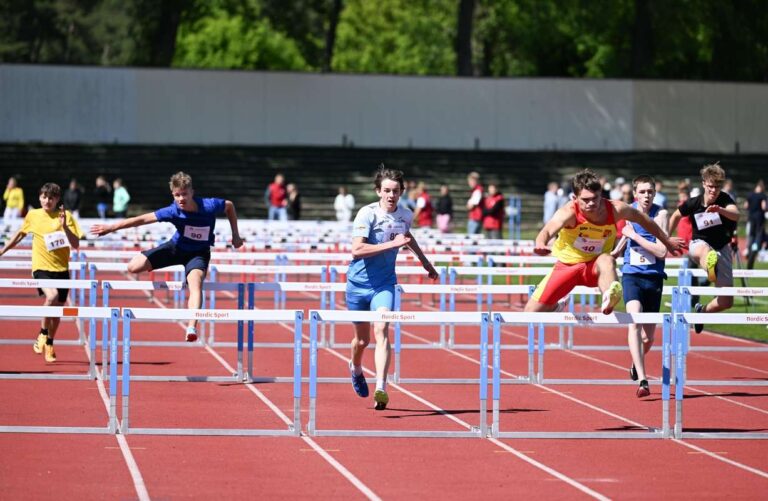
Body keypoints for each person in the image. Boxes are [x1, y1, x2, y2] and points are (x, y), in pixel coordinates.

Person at [90, 172, 243, 342]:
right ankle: (152, 260)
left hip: (198, 253)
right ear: (173, 195)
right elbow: (142, 219)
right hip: (175, 248)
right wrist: (111, 228)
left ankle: (191, 327)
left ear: (192, 192)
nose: (181, 199)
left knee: (195, 285)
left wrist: (235, 235)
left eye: (184, 194)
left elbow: (229, 206)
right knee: (133, 267)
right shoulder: (172, 211)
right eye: (177, 195)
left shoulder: (209, 205)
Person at [525, 169, 683, 316]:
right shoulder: (568, 212)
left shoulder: (615, 209)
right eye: (585, 200)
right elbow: (546, 231)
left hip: (596, 267)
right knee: (529, 313)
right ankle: (555, 306)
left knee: (607, 259)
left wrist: (666, 240)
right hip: (568, 265)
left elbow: (644, 219)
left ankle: (609, 296)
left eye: (595, 198)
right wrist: (541, 243)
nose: (591, 203)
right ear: (574, 198)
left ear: (601, 194)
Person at [347, 165, 438, 410]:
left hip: (384, 284)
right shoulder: (367, 214)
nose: (391, 195)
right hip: (358, 284)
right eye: (386, 191)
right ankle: (356, 367)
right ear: (378, 191)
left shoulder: (405, 215)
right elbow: (357, 249)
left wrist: (425, 262)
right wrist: (392, 245)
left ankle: (381, 387)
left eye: (395, 191)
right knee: (361, 341)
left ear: (401, 192)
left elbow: (407, 237)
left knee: (382, 330)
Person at [0, 183, 83, 362]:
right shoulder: (33, 215)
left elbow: (76, 244)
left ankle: (50, 343)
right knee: (51, 296)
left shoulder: (66, 216)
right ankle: (43, 333)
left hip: (61, 269)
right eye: (44, 197)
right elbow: (19, 235)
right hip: (41, 268)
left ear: (57, 199)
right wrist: (2, 250)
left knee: (57, 312)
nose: (47, 201)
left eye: (51, 198)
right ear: (39, 197)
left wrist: (65, 227)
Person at [610, 175, 669, 398]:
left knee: (648, 338)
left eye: (650, 192)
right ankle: (643, 380)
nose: (646, 196)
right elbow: (627, 233)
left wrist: (634, 235)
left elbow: (661, 251)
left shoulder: (661, 215)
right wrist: (617, 251)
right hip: (631, 275)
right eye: (642, 192)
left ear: (655, 193)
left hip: (653, 278)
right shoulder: (629, 211)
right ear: (635, 194)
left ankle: (636, 362)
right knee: (633, 321)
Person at [670, 163, 740, 333]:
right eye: (710, 186)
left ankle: (702, 311)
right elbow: (676, 215)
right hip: (698, 244)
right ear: (703, 184)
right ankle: (710, 267)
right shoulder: (694, 203)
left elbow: (736, 214)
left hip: (722, 248)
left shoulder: (725, 199)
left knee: (726, 302)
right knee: (705, 252)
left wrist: (720, 210)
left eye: (717, 187)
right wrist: (666, 238)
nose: (713, 190)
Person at [744, 180, 767, 269]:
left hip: (751, 218)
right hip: (759, 219)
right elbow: (763, 207)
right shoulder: (762, 196)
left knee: (751, 235)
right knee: (758, 235)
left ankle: (749, 249)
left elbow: (746, 206)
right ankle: (755, 248)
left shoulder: (750, 195)